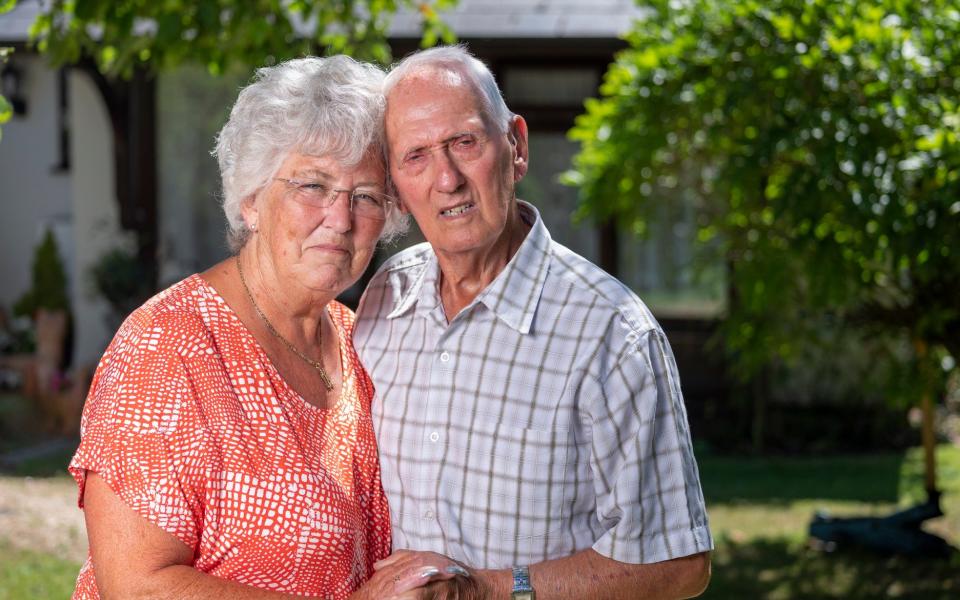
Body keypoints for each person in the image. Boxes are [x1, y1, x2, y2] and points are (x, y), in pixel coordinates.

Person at [354, 45, 714, 599]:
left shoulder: (612, 334)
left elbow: (678, 563)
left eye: (464, 143)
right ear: (397, 184)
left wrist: (488, 590)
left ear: (516, 146)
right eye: (416, 156)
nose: (446, 179)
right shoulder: (385, 296)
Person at [69, 56, 406, 599]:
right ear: (251, 199)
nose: (340, 219)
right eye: (313, 185)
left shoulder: (359, 335)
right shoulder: (167, 346)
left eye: (365, 196)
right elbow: (138, 586)